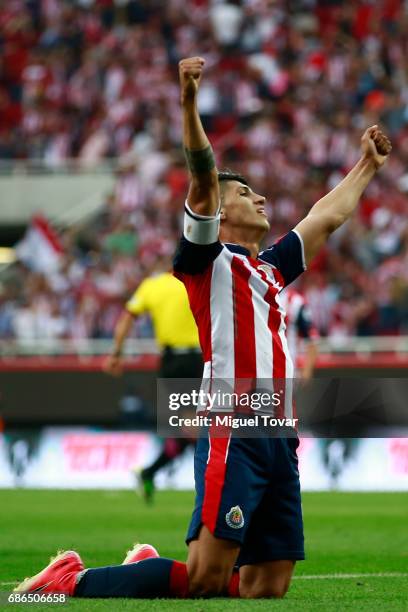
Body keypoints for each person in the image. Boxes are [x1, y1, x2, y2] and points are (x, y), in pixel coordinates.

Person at [15, 56, 391, 599]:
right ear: (221, 210)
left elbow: (326, 216)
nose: (260, 198)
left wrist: (367, 166)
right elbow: (202, 176)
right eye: (245, 194)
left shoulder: (270, 268)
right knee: (205, 578)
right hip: (232, 428)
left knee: (268, 585)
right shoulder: (206, 260)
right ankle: (70, 581)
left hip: (277, 435)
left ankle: (148, 562)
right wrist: (189, 104)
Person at [103, 255, 202, 503]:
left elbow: (127, 317)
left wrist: (116, 353)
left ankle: (149, 472)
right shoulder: (200, 280)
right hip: (201, 361)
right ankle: (214, 485)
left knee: (194, 429)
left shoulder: (152, 286)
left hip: (173, 363)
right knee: (199, 428)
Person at [281, 288, 319, 382]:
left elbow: (312, 339)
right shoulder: (250, 294)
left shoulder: (295, 302)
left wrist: (307, 371)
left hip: (287, 371)